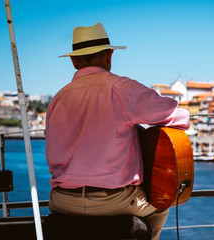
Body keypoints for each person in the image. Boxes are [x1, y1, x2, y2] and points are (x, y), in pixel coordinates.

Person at [45, 22, 190, 240]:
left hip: (63, 200)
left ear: (74, 61)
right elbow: (180, 117)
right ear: (109, 56)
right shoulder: (124, 89)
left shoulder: (57, 99)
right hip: (114, 202)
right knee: (162, 204)